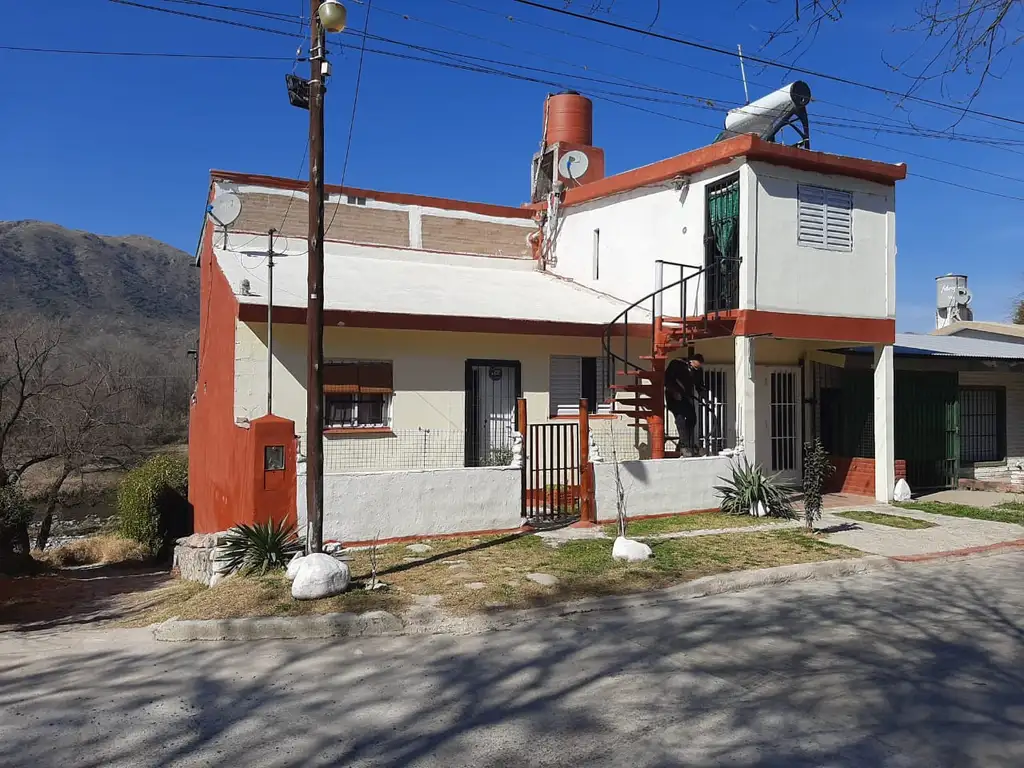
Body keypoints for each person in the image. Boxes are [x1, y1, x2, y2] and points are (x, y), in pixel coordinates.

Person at [664, 354, 708, 457]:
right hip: (674, 397)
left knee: (692, 419)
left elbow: (699, 385)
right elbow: (667, 380)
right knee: (680, 420)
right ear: (691, 361)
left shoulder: (697, 371)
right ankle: (684, 445)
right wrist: (674, 392)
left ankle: (686, 444)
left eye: (698, 367)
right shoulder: (676, 364)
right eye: (695, 366)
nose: (696, 369)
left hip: (686, 397)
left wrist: (704, 396)